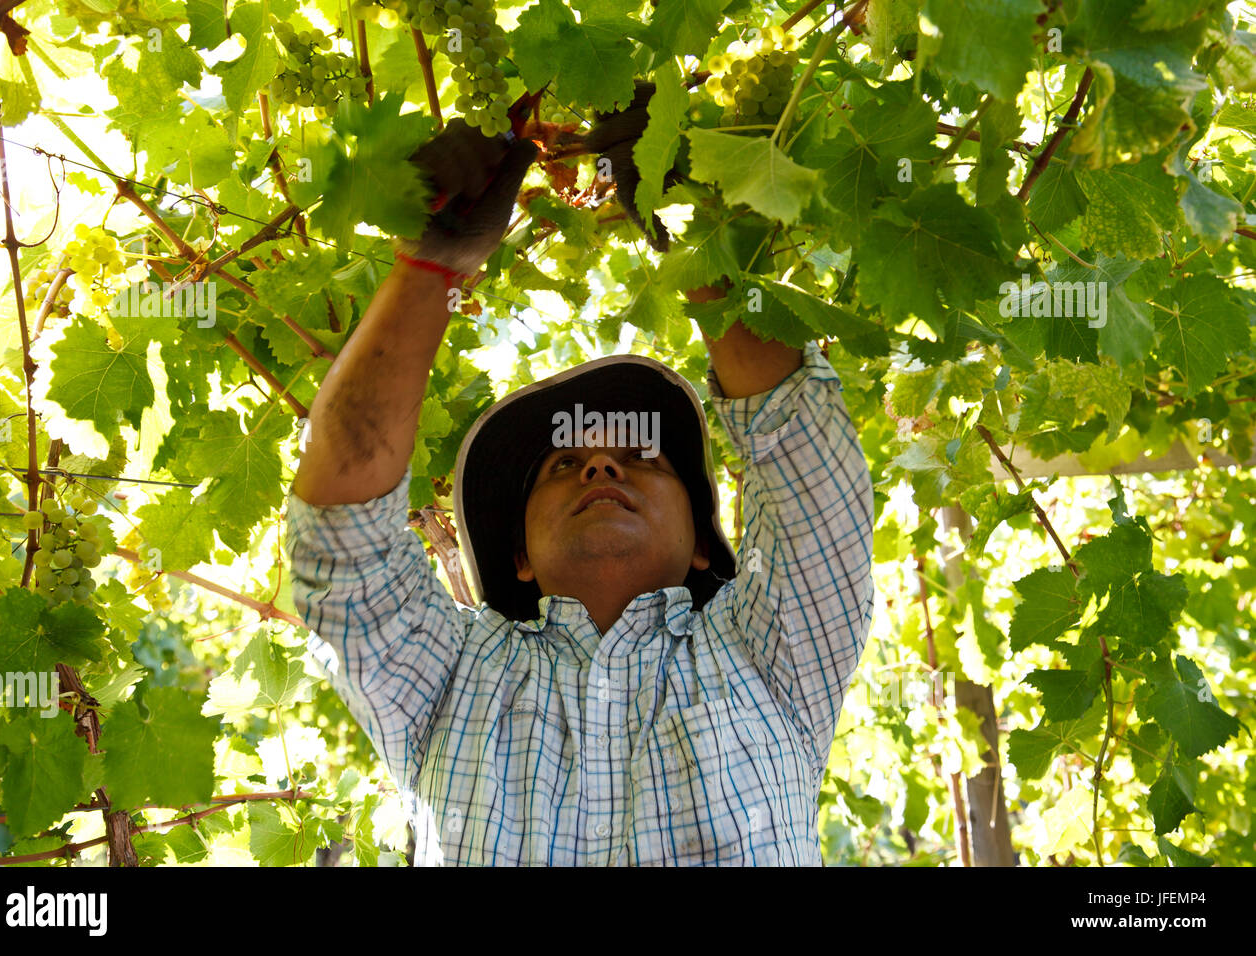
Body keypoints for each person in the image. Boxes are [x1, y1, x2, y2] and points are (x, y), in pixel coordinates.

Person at [286, 110, 875, 866]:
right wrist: (431, 266)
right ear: (520, 558)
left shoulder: (770, 655)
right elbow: (339, 540)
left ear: (702, 542)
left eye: (643, 458)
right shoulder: (450, 679)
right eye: (563, 465)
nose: (600, 465)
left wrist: (685, 229)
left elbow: (806, 458)